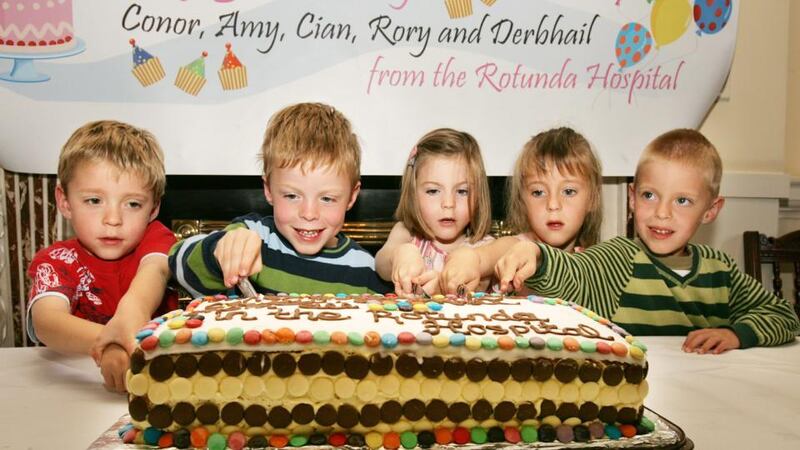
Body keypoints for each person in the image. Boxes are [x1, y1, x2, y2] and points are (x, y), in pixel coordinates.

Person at [493, 128, 799, 353]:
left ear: (710, 210)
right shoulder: (619, 258)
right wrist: (538, 255)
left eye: (682, 201)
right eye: (649, 195)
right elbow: (576, 275)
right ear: (632, 198)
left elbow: (783, 316)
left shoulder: (721, 269)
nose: (661, 213)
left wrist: (736, 334)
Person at [169, 102, 391, 296]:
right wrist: (219, 251)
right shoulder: (252, 237)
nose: (309, 213)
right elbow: (177, 264)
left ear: (352, 197)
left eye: (327, 199)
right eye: (292, 196)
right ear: (268, 190)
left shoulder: (366, 271)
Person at [26, 120, 177, 392]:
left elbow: (154, 270)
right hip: (80, 385)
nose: (113, 219)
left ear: (153, 208)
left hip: (162, 382)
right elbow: (46, 322)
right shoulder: (57, 260)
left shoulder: (157, 238)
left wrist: (130, 318)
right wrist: (111, 342)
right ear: (64, 200)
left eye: (132, 204)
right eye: (94, 200)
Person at [441, 127, 602, 294]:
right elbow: (484, 256)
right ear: (522, 201)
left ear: (592, 198)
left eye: (568, 191)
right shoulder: (516, 246)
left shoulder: (595, 263)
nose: (553, 204)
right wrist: (468, 258)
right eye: (538, 192)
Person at [375, 128, 493, 295]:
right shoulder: (406, 234)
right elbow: (381, 263)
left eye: (462, 191)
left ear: (479, 197)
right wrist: (400, 255)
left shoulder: (485, 248)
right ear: (413, 194)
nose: (448, 204)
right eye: (433, 191)